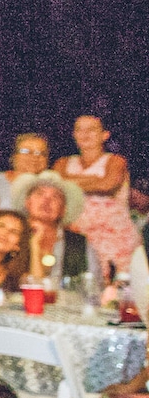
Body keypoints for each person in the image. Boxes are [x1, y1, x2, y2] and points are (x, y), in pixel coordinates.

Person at [58, 115, 136, 283]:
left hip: (114, 239)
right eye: (79, 129)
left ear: (105, 134)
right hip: (76, 239)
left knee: (115, 292)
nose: (84, 134)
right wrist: (94, 180)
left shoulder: (116, 161)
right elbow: (56, 184)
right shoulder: (63, 162)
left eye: (91, 129)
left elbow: (107, 185)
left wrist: (69, 181)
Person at [12, 171, 86, 287]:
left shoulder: (80, 243)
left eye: (55, 197)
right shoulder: (13, 236)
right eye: (39, 194)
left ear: (63, 209)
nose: (47, 201)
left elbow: (93, 286)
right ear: (27, 202)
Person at [0, 134, 49, 225]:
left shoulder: (52, 187)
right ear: (14, 155)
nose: (35, 157)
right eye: (26, 151)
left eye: (41, 153)